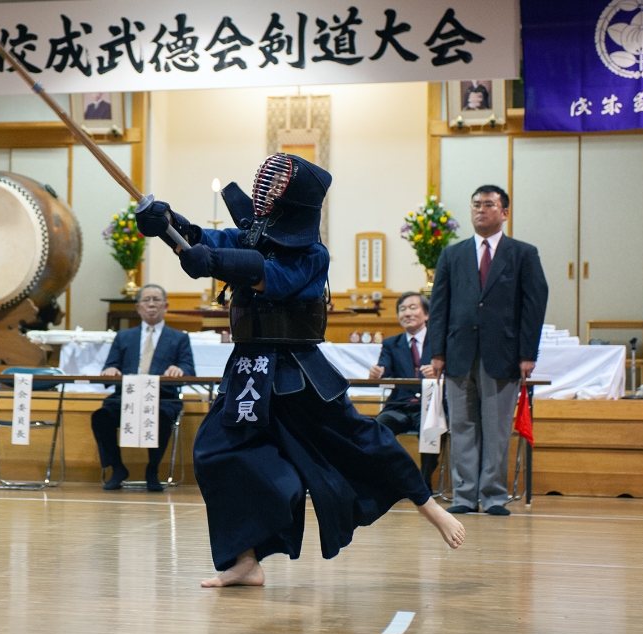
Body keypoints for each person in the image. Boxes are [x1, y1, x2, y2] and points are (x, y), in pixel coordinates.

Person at [135, 153, 465, 588]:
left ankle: (430, 507)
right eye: (267, 184)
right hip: (249, 367)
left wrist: (211, 261)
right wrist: (169, 223)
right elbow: (209, 240)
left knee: (359, 438)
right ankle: (248, 558)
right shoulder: (252, 235)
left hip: (295, 370)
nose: (266, 191)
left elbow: (268, 277)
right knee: (215, 452)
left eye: (277, 187)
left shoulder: (312, 255)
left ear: (294, 199)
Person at [427, 185, 548, 516]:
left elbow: (534, 305)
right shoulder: (452, 255)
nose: (481, 210)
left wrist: (527, 354)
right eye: (476, 205)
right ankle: (464, 495)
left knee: (495, 428)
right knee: (463, 425)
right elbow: (438, 307)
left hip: (504, 354)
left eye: (489, 205)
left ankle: (493, 495)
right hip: (457, 353)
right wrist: (436, 353)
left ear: (504, 212)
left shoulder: (523, 253)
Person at [92, 284, 195, 492]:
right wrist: (111, 370)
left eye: (156, 300)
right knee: (101, 416)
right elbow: (109, 366)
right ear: (138, 307)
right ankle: (117, 468)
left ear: (165, 306)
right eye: (146, 300)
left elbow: (189, 369)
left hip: (162, 397)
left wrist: (179, 369)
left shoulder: (179, 338)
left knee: (163, 415)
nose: (151, 305)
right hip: (126, 397)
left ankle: (153, 470)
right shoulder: (124, 336)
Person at [369, 292, 441, 493]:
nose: (407, 313)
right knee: (380, 427)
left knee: (431, 428)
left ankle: (423, 484)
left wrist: (438, 373)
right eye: (402, 309)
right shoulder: (391, 343)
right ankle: (389, 481)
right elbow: (384, 370)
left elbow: (451, 371)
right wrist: (378, 373)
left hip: (429, 406)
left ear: (426, 314)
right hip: (399, 406)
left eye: (412, 308)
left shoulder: (438, 340)